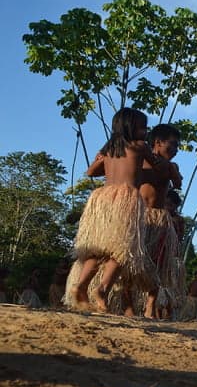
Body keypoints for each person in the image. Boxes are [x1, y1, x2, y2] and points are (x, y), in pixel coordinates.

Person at [66, 107, 169, 313]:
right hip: (126, 199)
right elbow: (157, 166)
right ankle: (102, 289)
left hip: (103, 199)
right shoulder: (140, 146)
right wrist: (169, 168)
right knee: (122, 251)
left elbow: (91, 172)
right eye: (143, 127)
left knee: (98, 249)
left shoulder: (109, 149)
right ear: (132, 127)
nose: (146, 131)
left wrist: (100, 159)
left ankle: (81, 285)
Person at [140, 124, 183, 318]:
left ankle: (150, 304)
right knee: (130, 259)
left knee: (157, 263)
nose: (175, 150)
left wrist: (171, 169)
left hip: (159, 218)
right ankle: (127, 302)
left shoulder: (172, 166)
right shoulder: (141, 160)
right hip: (140, 216)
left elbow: (178, 182)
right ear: (157, 142)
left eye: (177, 146)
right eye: (172, 145)